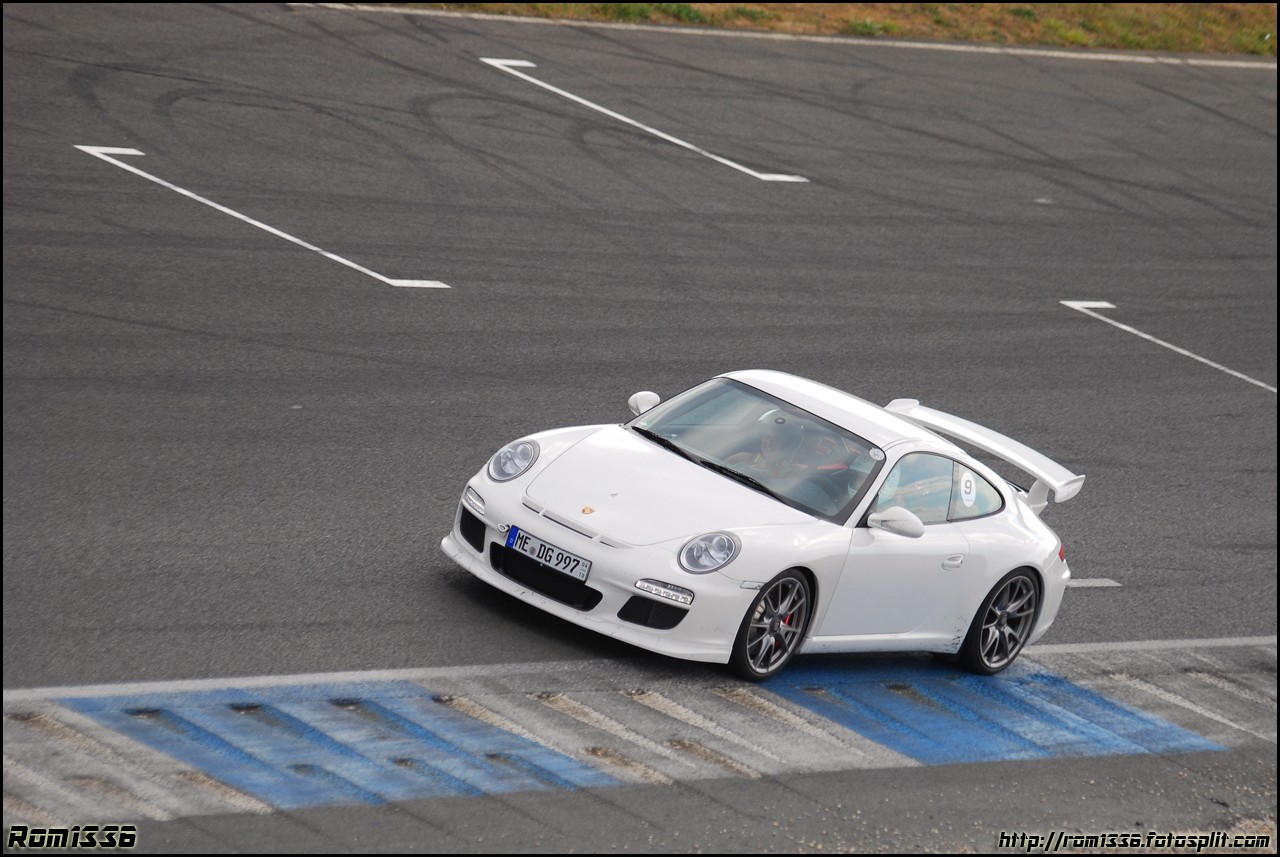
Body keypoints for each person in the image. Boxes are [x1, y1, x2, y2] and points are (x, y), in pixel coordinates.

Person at [727, 415, 808, 480]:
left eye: (775, 439)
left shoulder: (790, 476)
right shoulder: (742, 458)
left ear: (786, 447)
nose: (768, 442)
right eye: (767, 436)